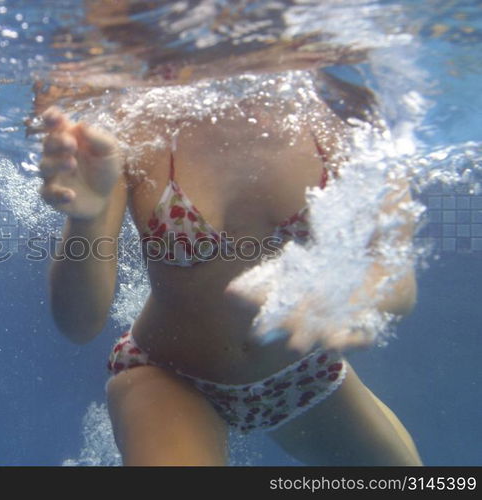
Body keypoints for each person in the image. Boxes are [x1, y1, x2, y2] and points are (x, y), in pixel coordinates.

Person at [35, 9, 422, 468]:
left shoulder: (347, 117)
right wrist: (86, 219)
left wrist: (345, 296)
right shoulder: (131, 128)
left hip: (304, 372)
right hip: (169, 376)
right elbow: (79, 325)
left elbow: (397, 281)